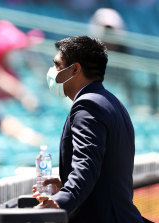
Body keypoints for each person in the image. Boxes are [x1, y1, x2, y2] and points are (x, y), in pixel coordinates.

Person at [33, 36, 143, 223]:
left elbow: (86, 165)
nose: (52, 71)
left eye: (57, 65)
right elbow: (103, 170)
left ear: (75, 69)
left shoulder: (88, 105)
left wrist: (60, 201)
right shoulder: (110, 101)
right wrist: (65, 185)